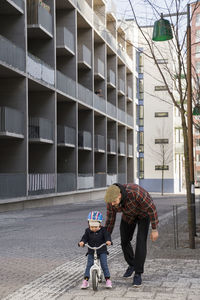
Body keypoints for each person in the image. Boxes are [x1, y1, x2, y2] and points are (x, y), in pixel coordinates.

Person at [104, 183, 159, 287]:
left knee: (140, 241)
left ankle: (138, 273)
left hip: (143, 215)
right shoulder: (111, 200)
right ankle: (132, 264)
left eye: (114, 202)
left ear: (119, 195)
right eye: (111, 202)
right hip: (128, 216)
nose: (112, 204)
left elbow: (151, 208)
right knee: (124, 240)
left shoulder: (135, 193)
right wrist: (106, 237)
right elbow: (110, 220)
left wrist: (154, 229)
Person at [79, 211, 112, 289]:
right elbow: (85, 237)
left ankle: (108, 279)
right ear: (89, 224)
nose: (93, 229)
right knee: (89, 265)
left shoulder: (103, 230)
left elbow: (107, 236)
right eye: (92, 227)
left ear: (100, 224)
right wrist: (82, 242)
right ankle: (86, 281)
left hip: (102, 250)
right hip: (91, 251)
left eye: (96, 227)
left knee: (104, 264)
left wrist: (108, 241)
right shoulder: (87, 231)